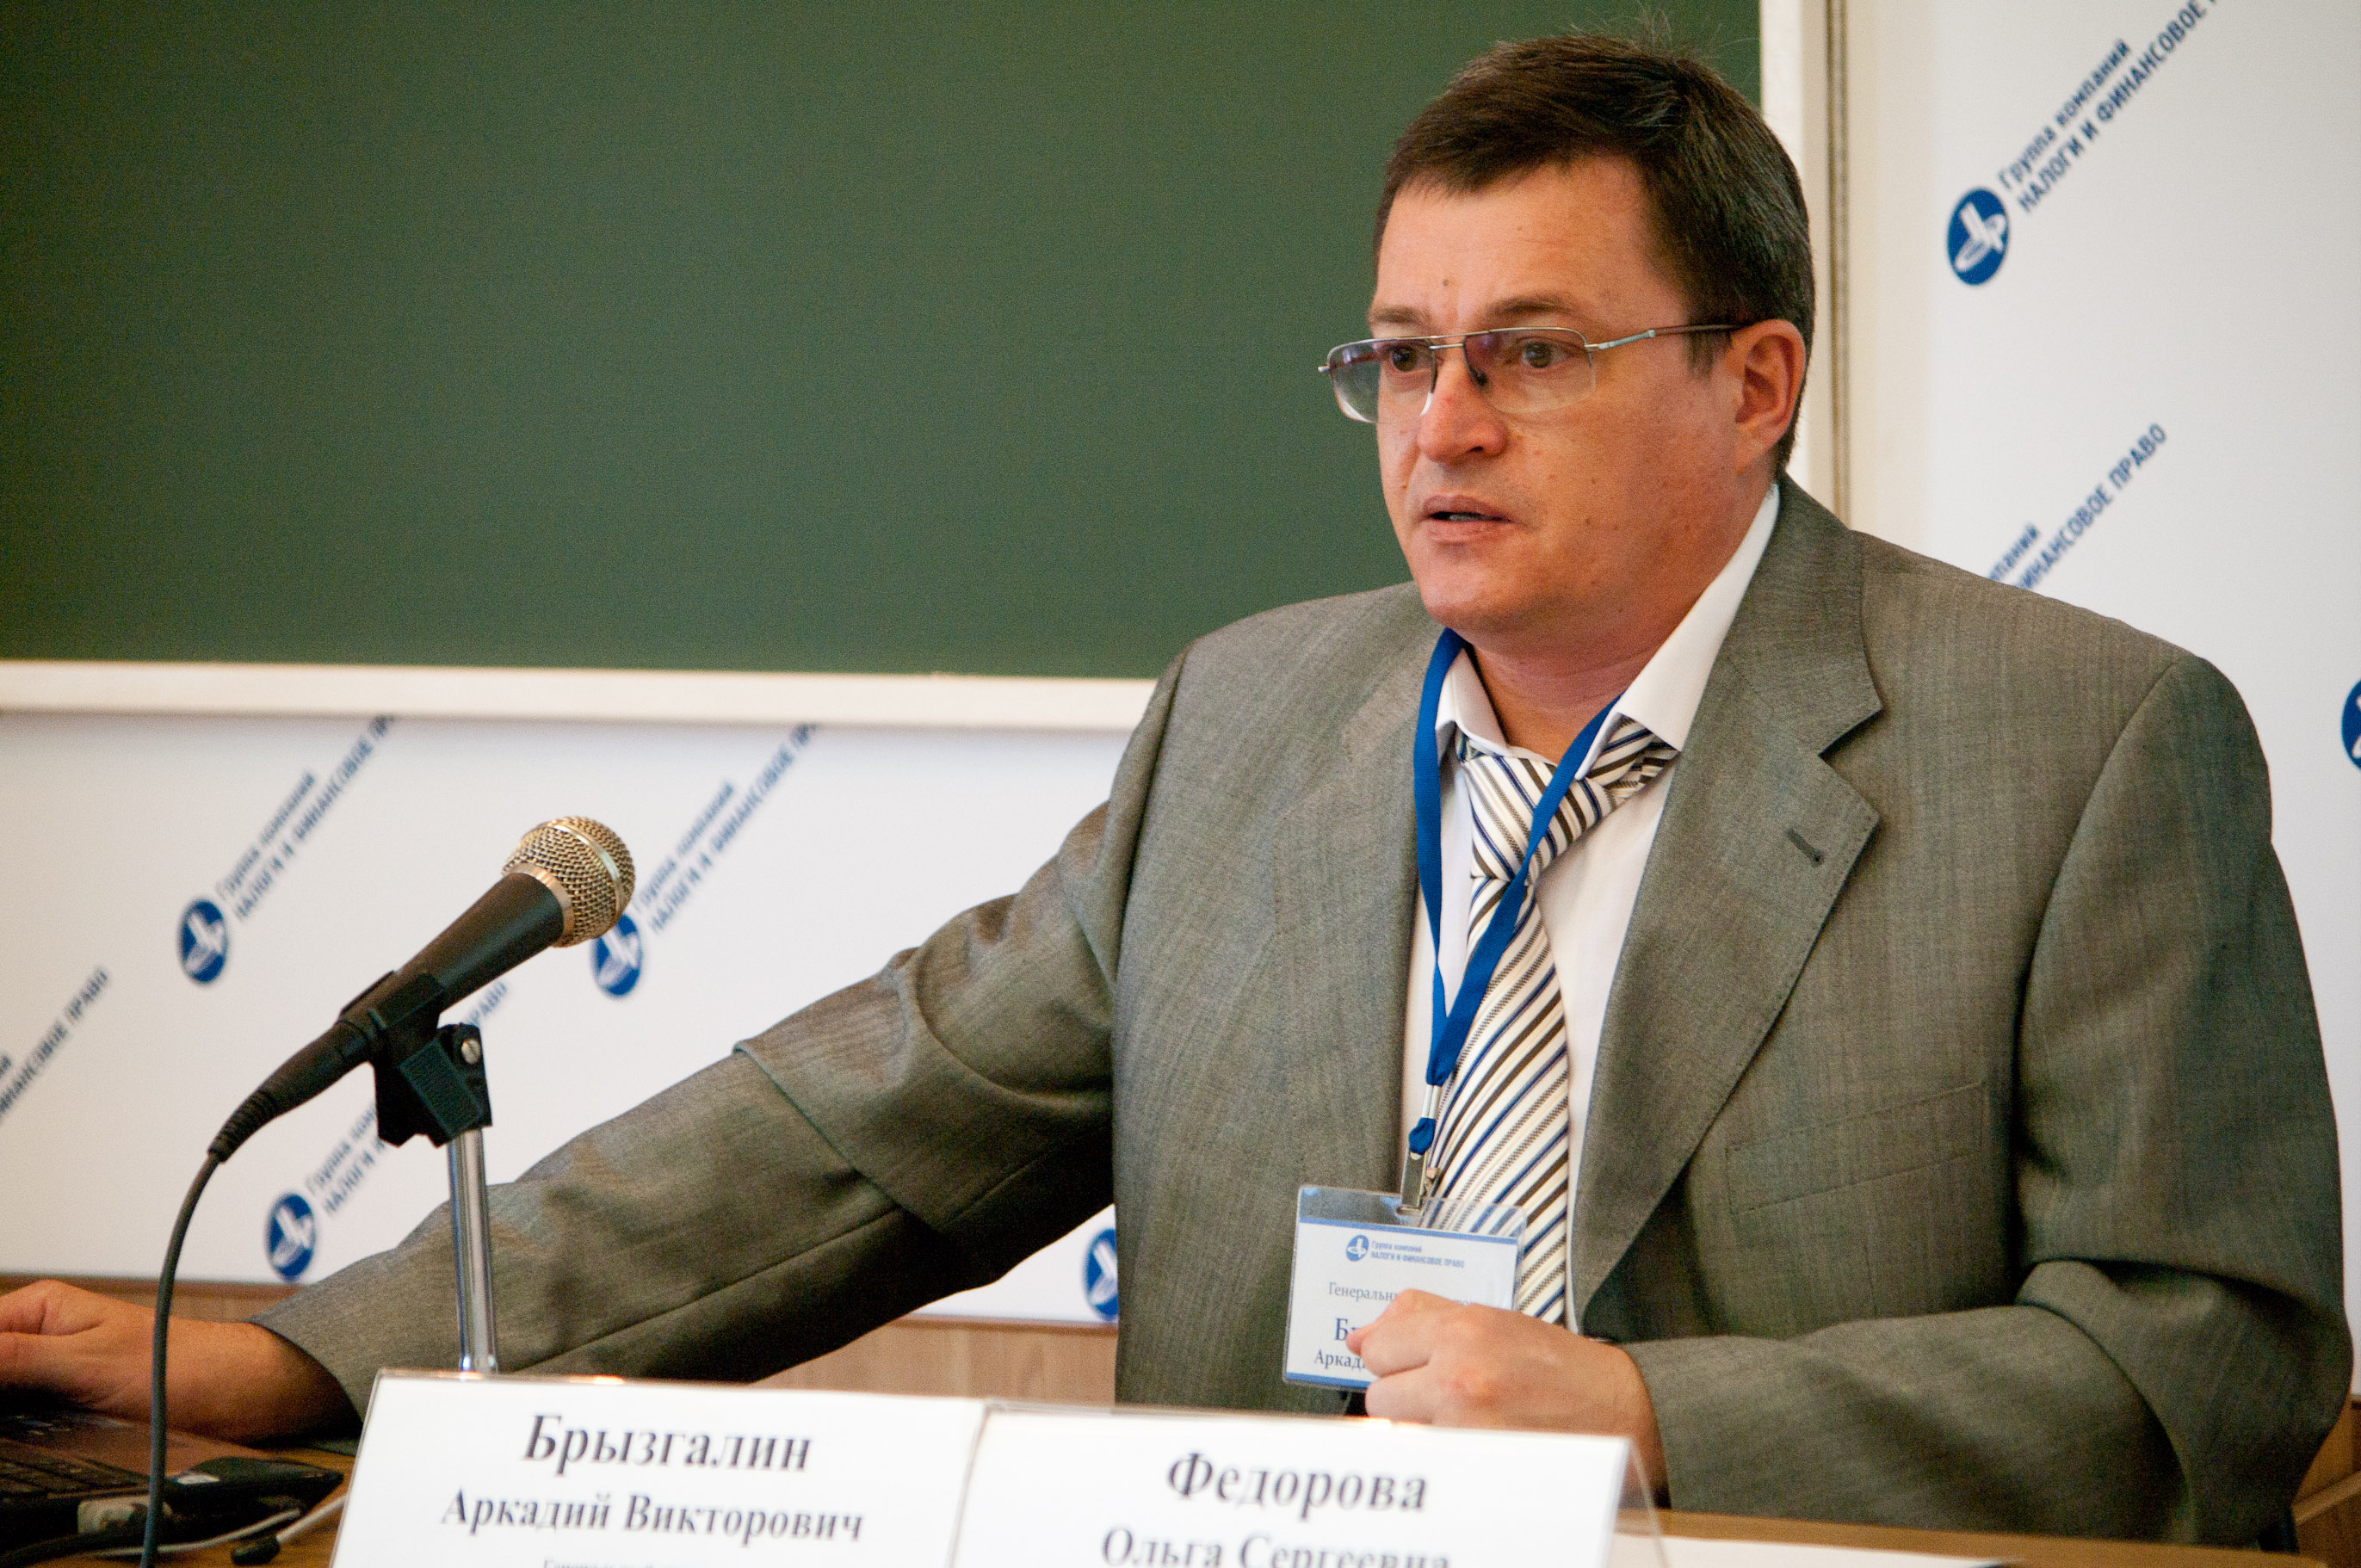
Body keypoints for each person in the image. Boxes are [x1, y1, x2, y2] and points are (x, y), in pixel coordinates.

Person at [2, 33, 2344, 1546]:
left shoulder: (2081, 744)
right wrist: (313, 1347)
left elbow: (2212, 1366)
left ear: (1756, 382)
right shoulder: (1251, 721)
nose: (1443, 429)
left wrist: (1651, 1417)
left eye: (1532, 355)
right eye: (1402, 359)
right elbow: (854, 1137)